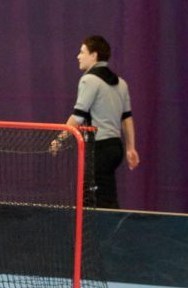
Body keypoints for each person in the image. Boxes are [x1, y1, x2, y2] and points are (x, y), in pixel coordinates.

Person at [59, 35, 138, 209]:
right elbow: (127, 118)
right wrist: (131, 148)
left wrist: (59, 139)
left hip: (99, 149)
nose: (78, 56)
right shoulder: (122, 84)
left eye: (82, 52)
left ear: (94, 56)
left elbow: (78, 116)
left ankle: (99, 235)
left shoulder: (89, 80)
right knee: (106, 195)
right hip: (115, 148)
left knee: (92, 198)